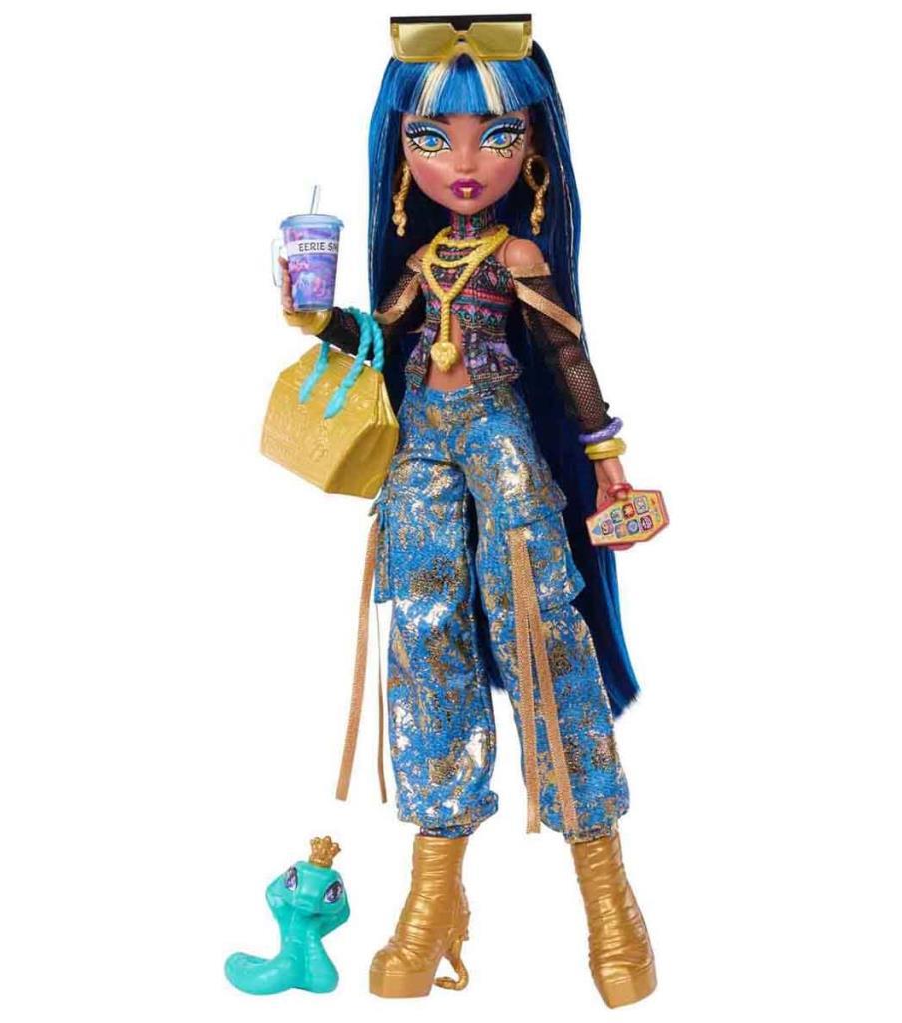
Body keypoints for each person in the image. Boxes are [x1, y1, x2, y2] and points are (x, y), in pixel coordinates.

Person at [280, 15, 656, 1008]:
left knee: (543, 629)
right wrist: (315, 313)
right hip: (421, 454)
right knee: (424, 638)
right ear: (398, 154)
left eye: (494, 135)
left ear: (532, 149)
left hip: (502, 442)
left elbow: (568, 358)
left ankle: (606, 889)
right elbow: (380, 334)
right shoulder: (420, 262)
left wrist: (605, 459)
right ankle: (434, 890)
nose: (462, 161)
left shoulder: (519, 256)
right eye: (429, 136)